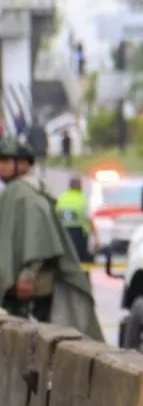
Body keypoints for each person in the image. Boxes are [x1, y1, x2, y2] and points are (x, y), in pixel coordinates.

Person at [0, 139, 103, 340]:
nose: (1, 166)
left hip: (31, 286)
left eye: (6, 160)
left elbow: (38, 235)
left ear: (23, 164)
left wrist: (27, 275)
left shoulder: (22, 193)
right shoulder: (25, 190)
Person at [55, 177, 95, 263]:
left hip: (63, 233)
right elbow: (89, 219)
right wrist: (96, 238)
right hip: (79, 234)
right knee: (81, 260)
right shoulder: (82, 198)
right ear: (80, 187)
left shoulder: (62, 197)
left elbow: (56, 215)